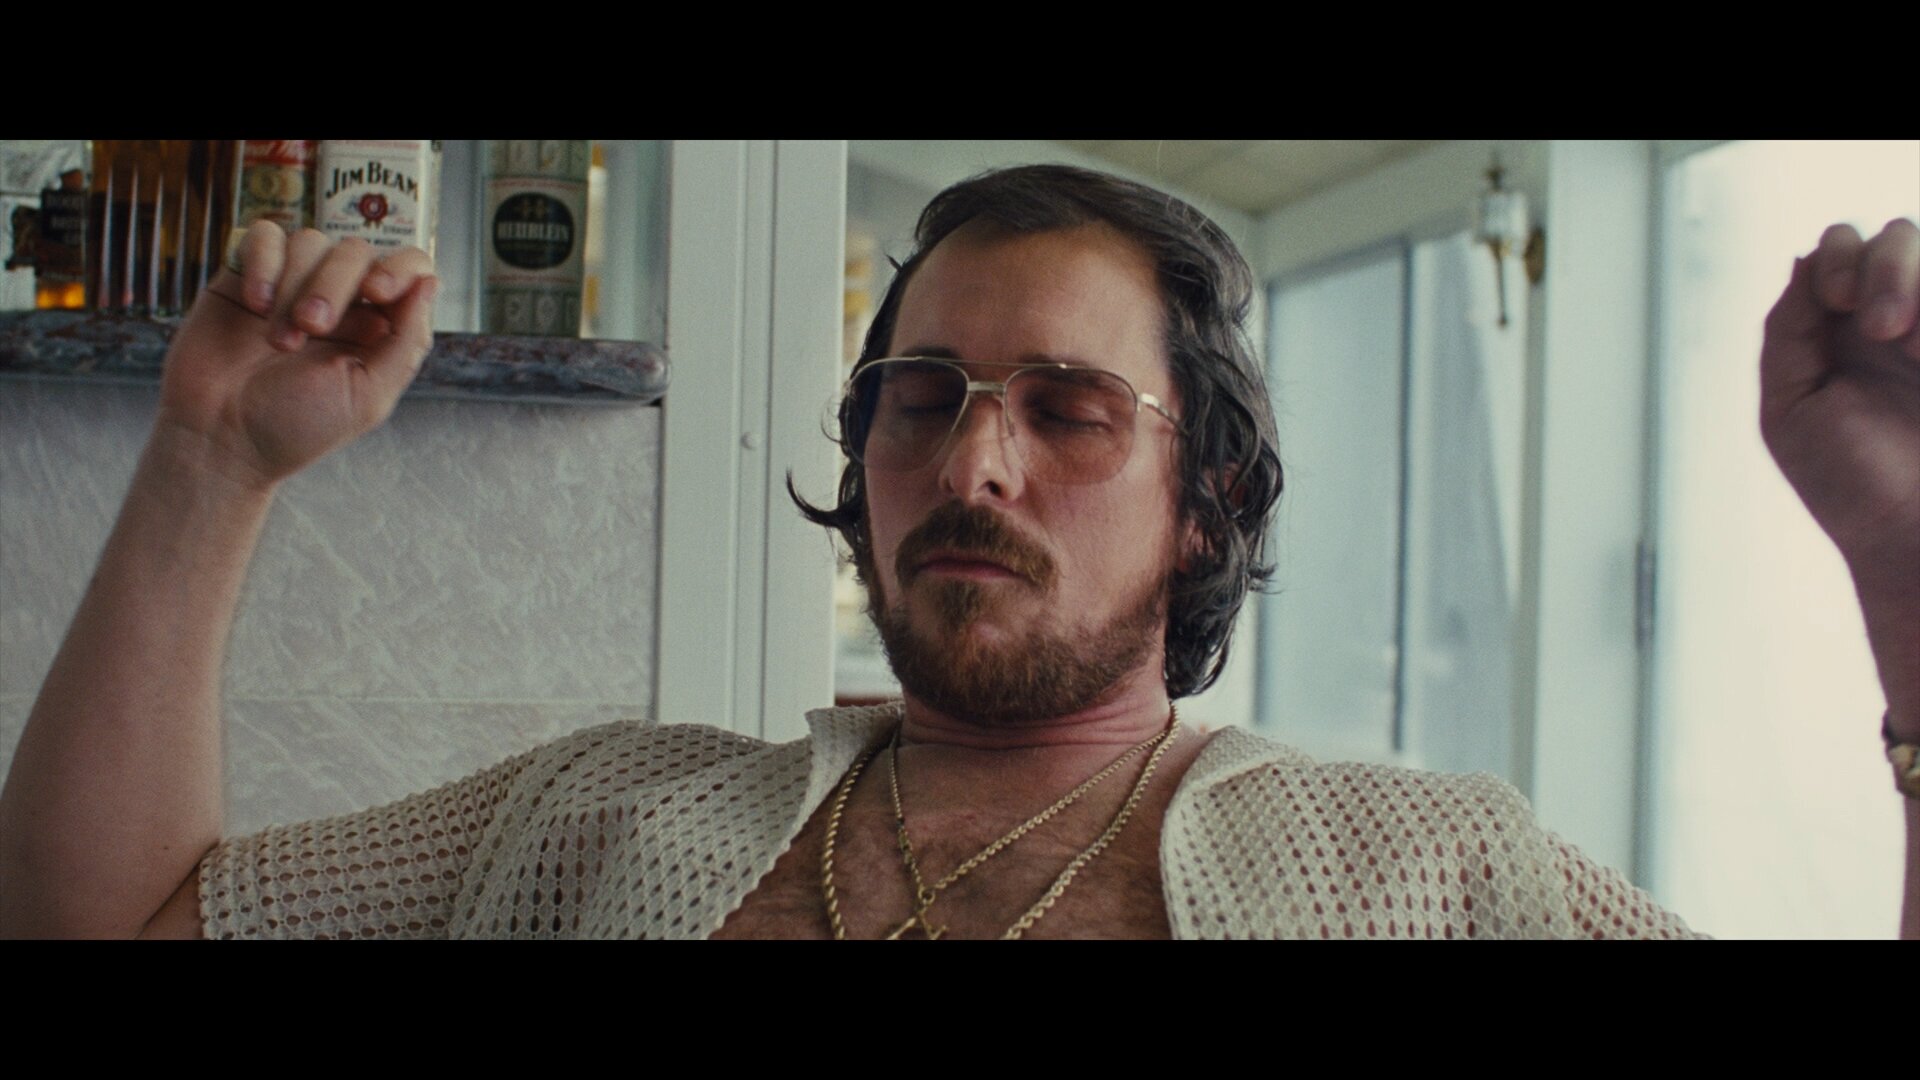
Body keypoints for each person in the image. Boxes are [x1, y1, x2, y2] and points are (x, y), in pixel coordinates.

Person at [0, 164, 1914, 939]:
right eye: (919, 397)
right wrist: (210, 461)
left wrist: (1905, 565)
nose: (971, 458)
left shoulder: (1426, 872)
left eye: (1067, 407)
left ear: (1209, 496)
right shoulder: (609, 815)